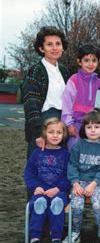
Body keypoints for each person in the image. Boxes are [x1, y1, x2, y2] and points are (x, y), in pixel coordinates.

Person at [64, 110, 100, 243]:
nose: (93, 130)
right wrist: (75, 184)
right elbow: (72, 166)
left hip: (97, 183)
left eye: (96, 127)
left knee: (98, 205)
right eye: (89, 127)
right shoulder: (78, 146)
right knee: (77, 206)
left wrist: (93, 185)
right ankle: (75, 233)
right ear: (83, 129)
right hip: (79, 183)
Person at [22, 26, 70, 158]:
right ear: (41, 48)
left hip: (62, 124)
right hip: (42, 123)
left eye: (58, 44)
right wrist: (38, 133)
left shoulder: (65, 71)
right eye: (49, 44)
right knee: (39, 166)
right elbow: (31, 104)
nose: (54, 48)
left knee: (60, 166)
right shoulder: (36, 71)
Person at [24, 118, 70, 243]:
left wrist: (58, 188)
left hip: (58, 192)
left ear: (64, 135)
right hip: (40, 191)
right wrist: (35, 187)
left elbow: (68, 177)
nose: (55, 135)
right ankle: (35, 237)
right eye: (51, 132)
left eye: (59, 132)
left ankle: (56, 237)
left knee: (57, 203)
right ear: (44, 134)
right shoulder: (37, 153)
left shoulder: (65, 154)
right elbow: (29, 174)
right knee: (39, 203)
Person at [61, 44, 100, 150]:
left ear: (98, 62)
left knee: (92, 152)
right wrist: (69, 124)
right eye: (86, 60)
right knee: (74, 150)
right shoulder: (74, 80)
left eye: (94, 60)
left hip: (94, 126)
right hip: (76, 125)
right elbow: (66, 104)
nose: (90, 64)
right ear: (79, 62)